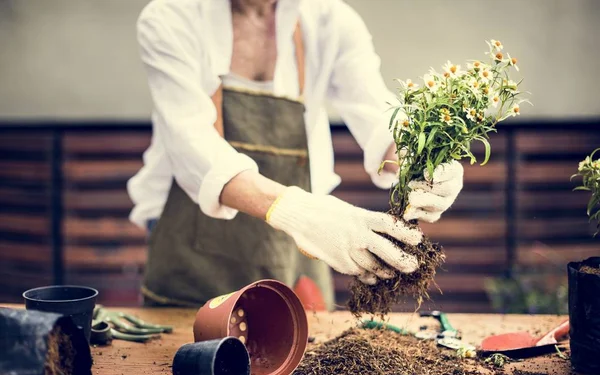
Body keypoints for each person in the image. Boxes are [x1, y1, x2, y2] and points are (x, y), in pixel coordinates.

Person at [127, 0, 464, 309]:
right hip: (193, 249)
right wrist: (302, 214)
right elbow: (193, 147)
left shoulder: (330, 21)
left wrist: (420, 156)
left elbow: (377, 113)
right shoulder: (172, 18)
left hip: (295, 248)